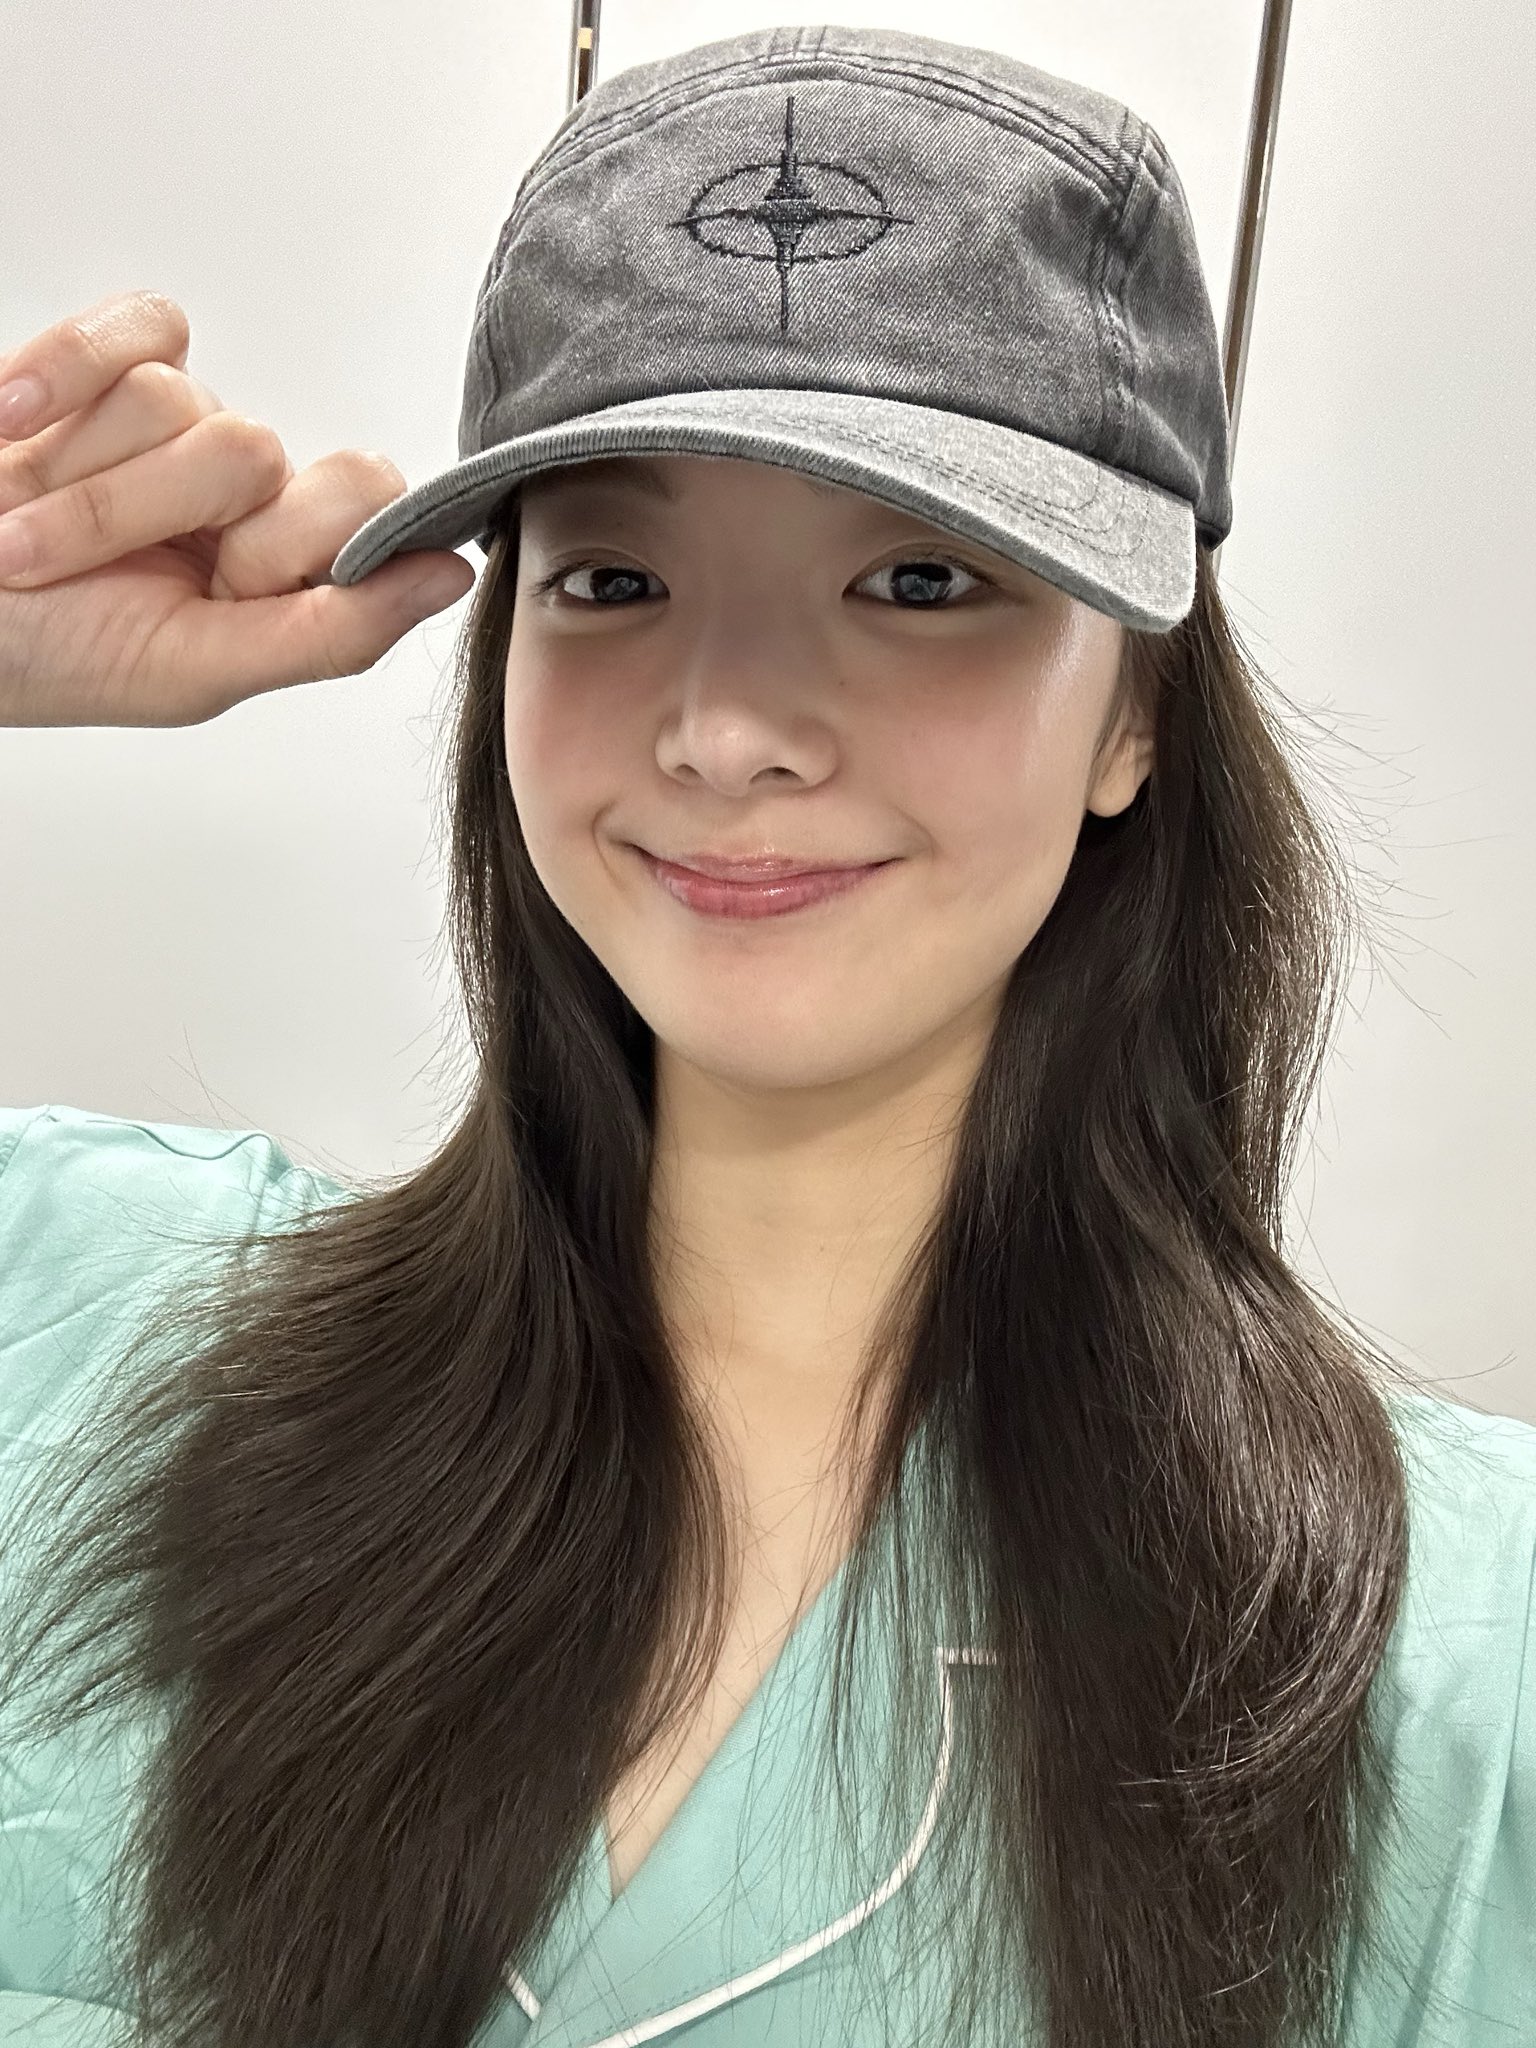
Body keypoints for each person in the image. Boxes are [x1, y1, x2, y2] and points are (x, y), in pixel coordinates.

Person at [0, 23, 1531, 2048]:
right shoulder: (75, 1315)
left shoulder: (1457, 1659)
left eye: (921, 577)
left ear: (1137, 713)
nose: (726, 728)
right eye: (615, 575)